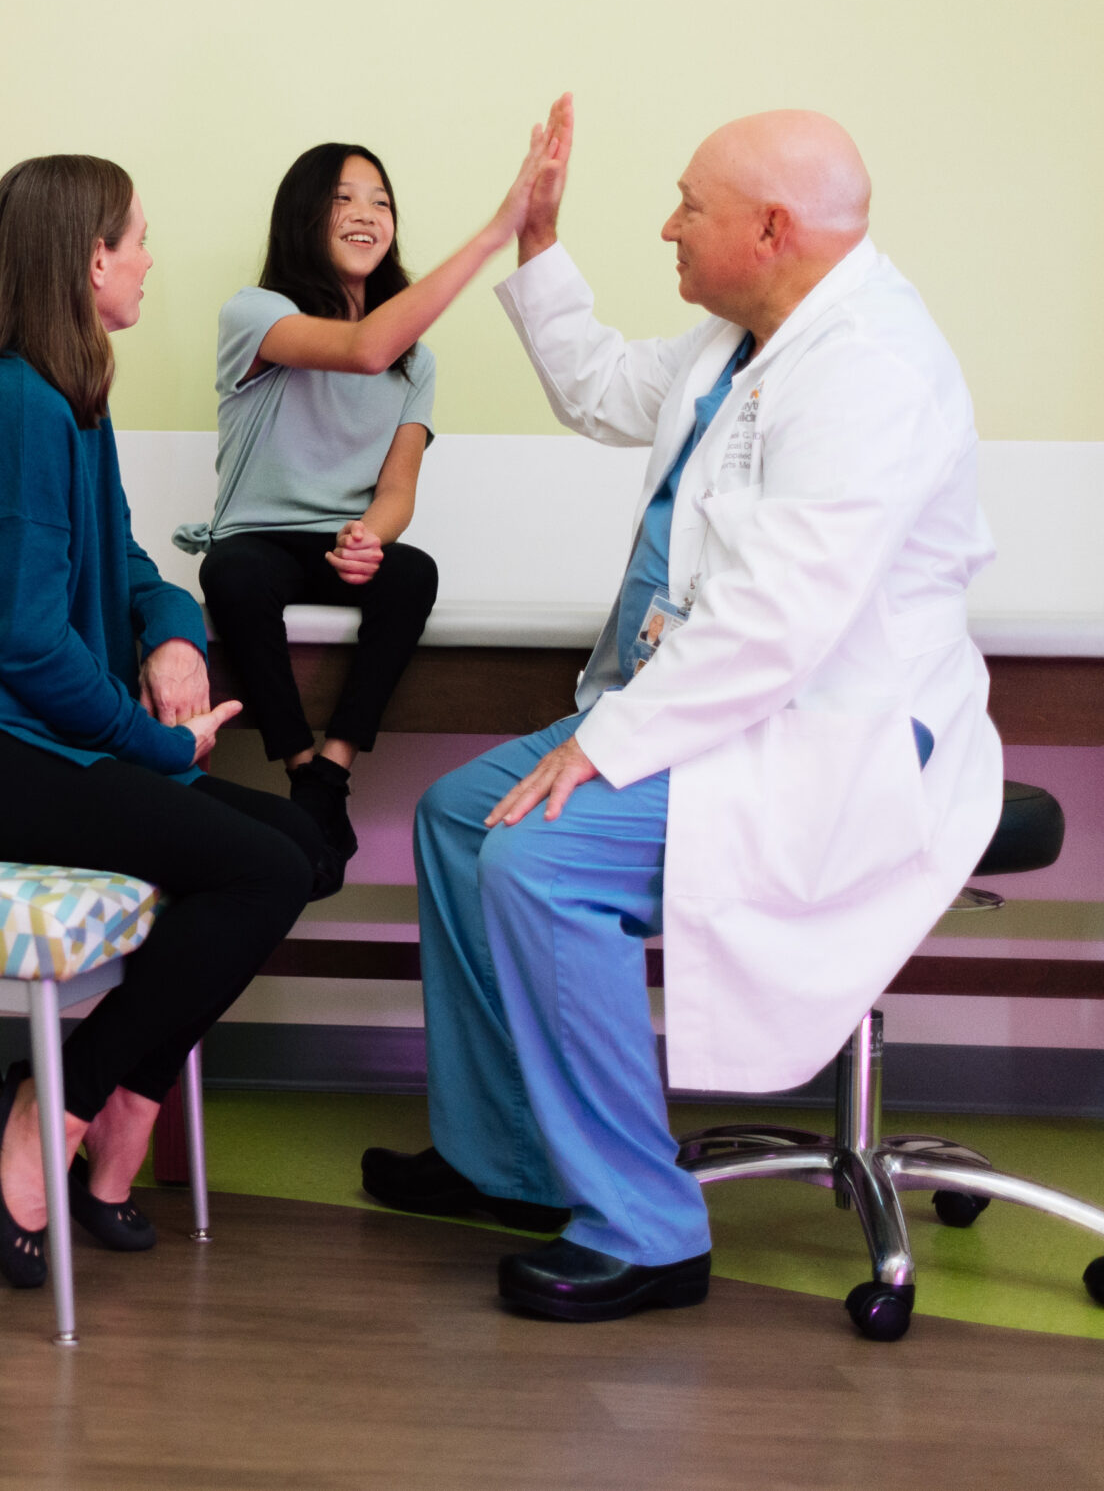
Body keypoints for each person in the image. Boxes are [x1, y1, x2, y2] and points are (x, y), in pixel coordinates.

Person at [362, 100, 1003, 1323]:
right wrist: (537, 243)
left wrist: (603, 744)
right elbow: (607, 388)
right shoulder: (741, 341)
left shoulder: (869, 366)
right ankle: (511, 1158)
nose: (667, 225)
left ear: (769, 228)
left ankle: (647, 1228)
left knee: (539, 863)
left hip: (828, 730)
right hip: (707, 704)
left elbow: (779, 622)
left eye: (688, 208)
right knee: (457, 818)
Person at [0, 155, 329, 1289]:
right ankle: (50, 1105)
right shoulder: (12, 401)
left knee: (300, 850)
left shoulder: (68, 397)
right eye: (139, 238)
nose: (152, 259)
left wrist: (171, 632)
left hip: (23, 741)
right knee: (258, 870)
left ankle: (118, 1104)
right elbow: (23, 639)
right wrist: (156, 740)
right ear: (88, 256)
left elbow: (120, 564)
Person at [179, 128, 561, 865]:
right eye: (342, 199)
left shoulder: (416, 362)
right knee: (231, 573)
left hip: (338, 539)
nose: (366, 213)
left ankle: (334, 767)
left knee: (412, 570)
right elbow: (362, 350)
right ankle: (299, 769)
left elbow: (397, 488)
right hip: (258, 536)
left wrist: (369, 538)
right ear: (302, 218)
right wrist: (494, 234)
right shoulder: (254, 314)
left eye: (380, 201)